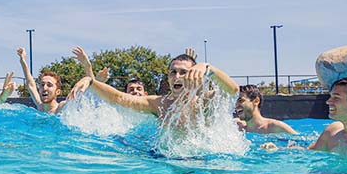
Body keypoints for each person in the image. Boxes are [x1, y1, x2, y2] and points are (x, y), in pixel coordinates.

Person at [69, 53, 238, 126]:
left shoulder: (204, 102)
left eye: (183, 72)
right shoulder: (159, 103)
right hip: (163, 162)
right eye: (173, 72)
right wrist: (90, 81)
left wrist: (208, 68)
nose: (177, 76)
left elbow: (233, 91)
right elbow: (120, 98)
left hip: (200, 163)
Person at [17, 47, 63, 114]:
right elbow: (31, 85)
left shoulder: (61, 108)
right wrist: (22, 61)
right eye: (42, 84)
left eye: (49, 85)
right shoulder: (40, 107)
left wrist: (84, 64)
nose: (44, 88)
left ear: (58, 92)